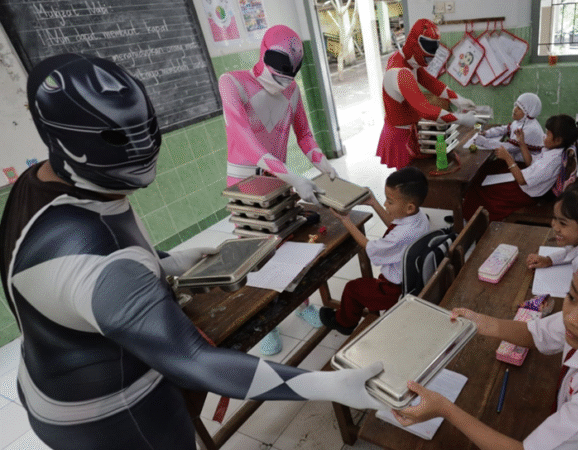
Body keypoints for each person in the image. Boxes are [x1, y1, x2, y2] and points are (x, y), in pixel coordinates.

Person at [0, 53, 384, 450]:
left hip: (55, 373)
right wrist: (329, 383)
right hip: (111, 413)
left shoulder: (41, 181)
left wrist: (168, 262)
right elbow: (196, 361)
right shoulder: (101, 264)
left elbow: (81, 277)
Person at [393, 239, 578, 450]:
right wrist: (481, 323)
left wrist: (444, 408)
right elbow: (536, 333)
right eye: (571, 296)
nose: (571, 318)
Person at [219, 24, 333, 353]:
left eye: (292, 70)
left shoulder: (292, 90)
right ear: (265, 55)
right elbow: (243, 136)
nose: (286, 76)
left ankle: (302, 303)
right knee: (258, 251)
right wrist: (291, 175)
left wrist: (321, 160)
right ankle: (266, 320)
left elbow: (305, 134)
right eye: (282, 67)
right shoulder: (233, 83)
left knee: (291, 242)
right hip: (245, 181)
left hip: (280, 177)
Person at [319, 167, 430, 335]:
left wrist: (345, 220)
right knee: (360, 287)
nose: (386, 204)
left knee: (352, 288)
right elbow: (392, 224)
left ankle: (344, 323)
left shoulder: (401, 235)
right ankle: (348, 315)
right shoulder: (419, 218)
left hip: (394, 291)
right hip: (411, 280)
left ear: (409, 207)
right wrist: (373, 202)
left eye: (390, 202)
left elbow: (369, 245)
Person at [377, 18, 485, 170]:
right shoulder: (400, 73)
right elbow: (425, 109)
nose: (427, 63)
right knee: (409, 183)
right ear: (414, 47)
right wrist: (461, 119)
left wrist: (458, 99)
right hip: (400, 136)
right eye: (426, 58)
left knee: (417, 176)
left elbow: (431, 83)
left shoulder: (406, 59)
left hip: (408, 131)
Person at [462, 114, 578, 222]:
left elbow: (522, 180)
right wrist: (522, 143)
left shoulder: (552, 161)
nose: (544, 136)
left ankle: (474, 223)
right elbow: (531, 163)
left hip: (527, 192)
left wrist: (508, 158)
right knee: (492, 168)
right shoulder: (553, 150)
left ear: (558, 140)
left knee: (480, 189)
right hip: (529, 181)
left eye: (548, 134)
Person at [475, 92, 545, 162]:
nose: (514, 109)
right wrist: (487, 133)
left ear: (528, 112)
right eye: (516, 105)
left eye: (519, 108)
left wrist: (484, 142)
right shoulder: (522, 121)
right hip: (516, 159)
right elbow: (504, 129)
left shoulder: (530, 129)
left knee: (488, 165)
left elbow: (507, 147)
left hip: (525, 165)